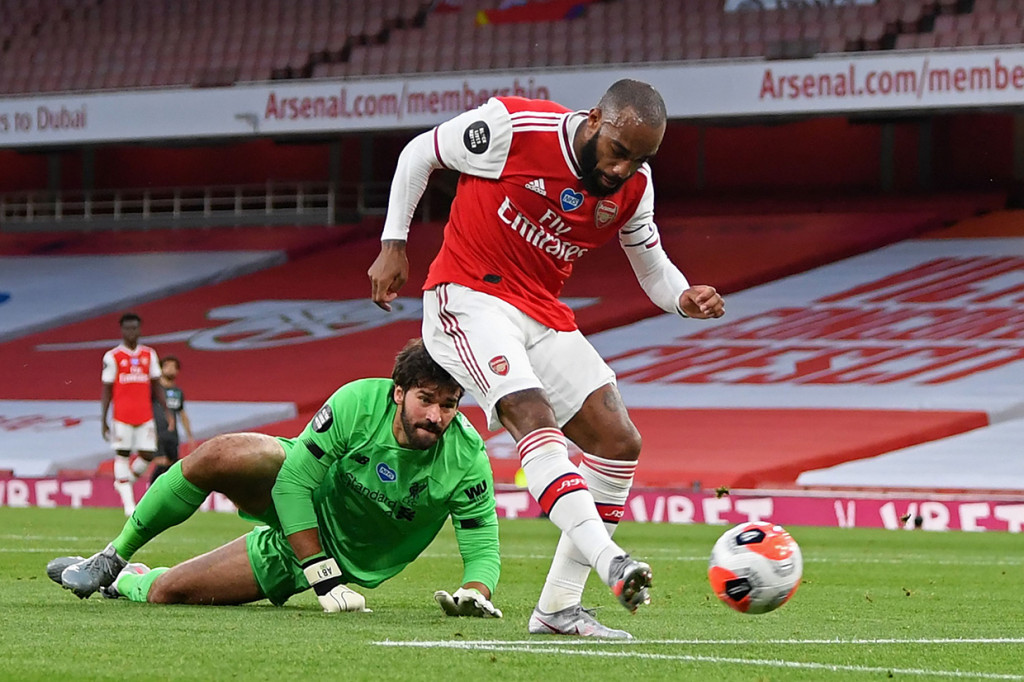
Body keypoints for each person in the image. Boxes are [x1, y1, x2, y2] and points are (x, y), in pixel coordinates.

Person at [368, 79, 725, 638]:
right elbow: (421, 152)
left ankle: (559, 607)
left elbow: (653, 268)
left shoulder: (635, 188)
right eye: (618, 150)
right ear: (595, 120)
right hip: (467, 295)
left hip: (541, 313)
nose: (623, 169)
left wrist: (683, 298)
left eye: (640, 159)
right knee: (529, 411)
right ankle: (610, 561)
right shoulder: (515, 129)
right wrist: (394, 244)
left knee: (618, 440)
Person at [48, 339, 501, 618]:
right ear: (398, 392)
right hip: (305, 495)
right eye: (426, 400)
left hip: (320, 553)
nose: (437, 416)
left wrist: (474, 593)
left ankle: (125, 579)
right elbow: (292, 483)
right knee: (223, 453)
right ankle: (110, 557)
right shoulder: (357, 403)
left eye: (449, 405)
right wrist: (323, 578)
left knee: (166, 594)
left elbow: (482, 547)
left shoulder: (466, 457)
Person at [101, 312, 172, 515]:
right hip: (121, 415)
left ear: (140, 330)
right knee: (122, 453)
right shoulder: (113, 356)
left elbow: (157, 385)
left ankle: (124, 482)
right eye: (127, 328)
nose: (131, 331)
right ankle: (129, 505)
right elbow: (106, 389)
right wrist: (104, 418)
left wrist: (166, 410)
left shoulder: (149, 354)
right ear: (122, 330)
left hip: (144, 415)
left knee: (148, 454)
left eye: (134, 328)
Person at [150, 355, 195, 484]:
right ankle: (150, 495)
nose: (170, 369)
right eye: (167, 366)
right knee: (161, 463)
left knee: (172, 467)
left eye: (173, 367)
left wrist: (190, 436)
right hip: (157, 433)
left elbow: (182, 414)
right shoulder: (154, 389)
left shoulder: (178, 392)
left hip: (172, 436)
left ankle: (166, 498)